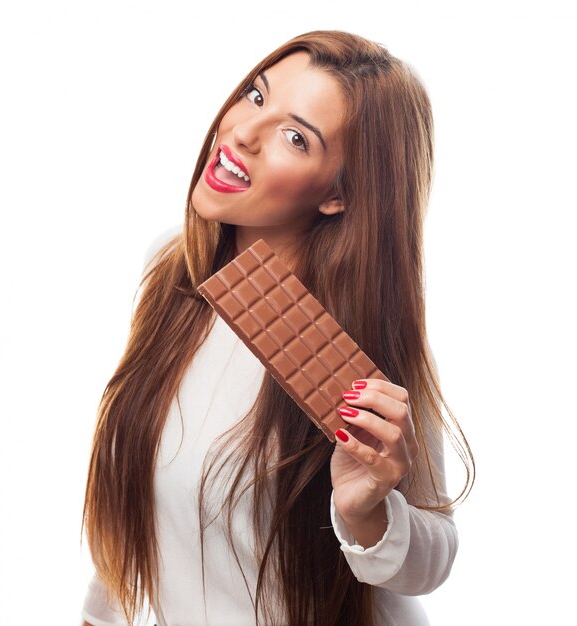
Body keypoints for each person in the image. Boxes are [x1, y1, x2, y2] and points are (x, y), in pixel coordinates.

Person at [80, 30, 474, 626]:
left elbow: (432, 562)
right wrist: (103, 613)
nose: (242, 133)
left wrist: (369, 509)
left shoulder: (361, 343)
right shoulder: (173, 272)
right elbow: (148, 491)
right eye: (255, 96)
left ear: (339, 194)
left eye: (295, 137)